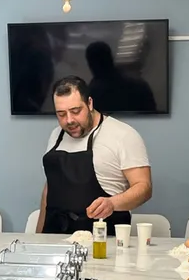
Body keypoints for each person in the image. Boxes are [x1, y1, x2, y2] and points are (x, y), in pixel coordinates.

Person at [37, 76, 152, 234]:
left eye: (75, 111)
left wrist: (112, 203)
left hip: (102, 240)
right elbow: (49, 189)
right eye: (61, 114)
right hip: (54, 238)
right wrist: (39, 235)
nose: (69, 120)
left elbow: (144, 187)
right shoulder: (56, 135)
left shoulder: (123, 135)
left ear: (90, 103)